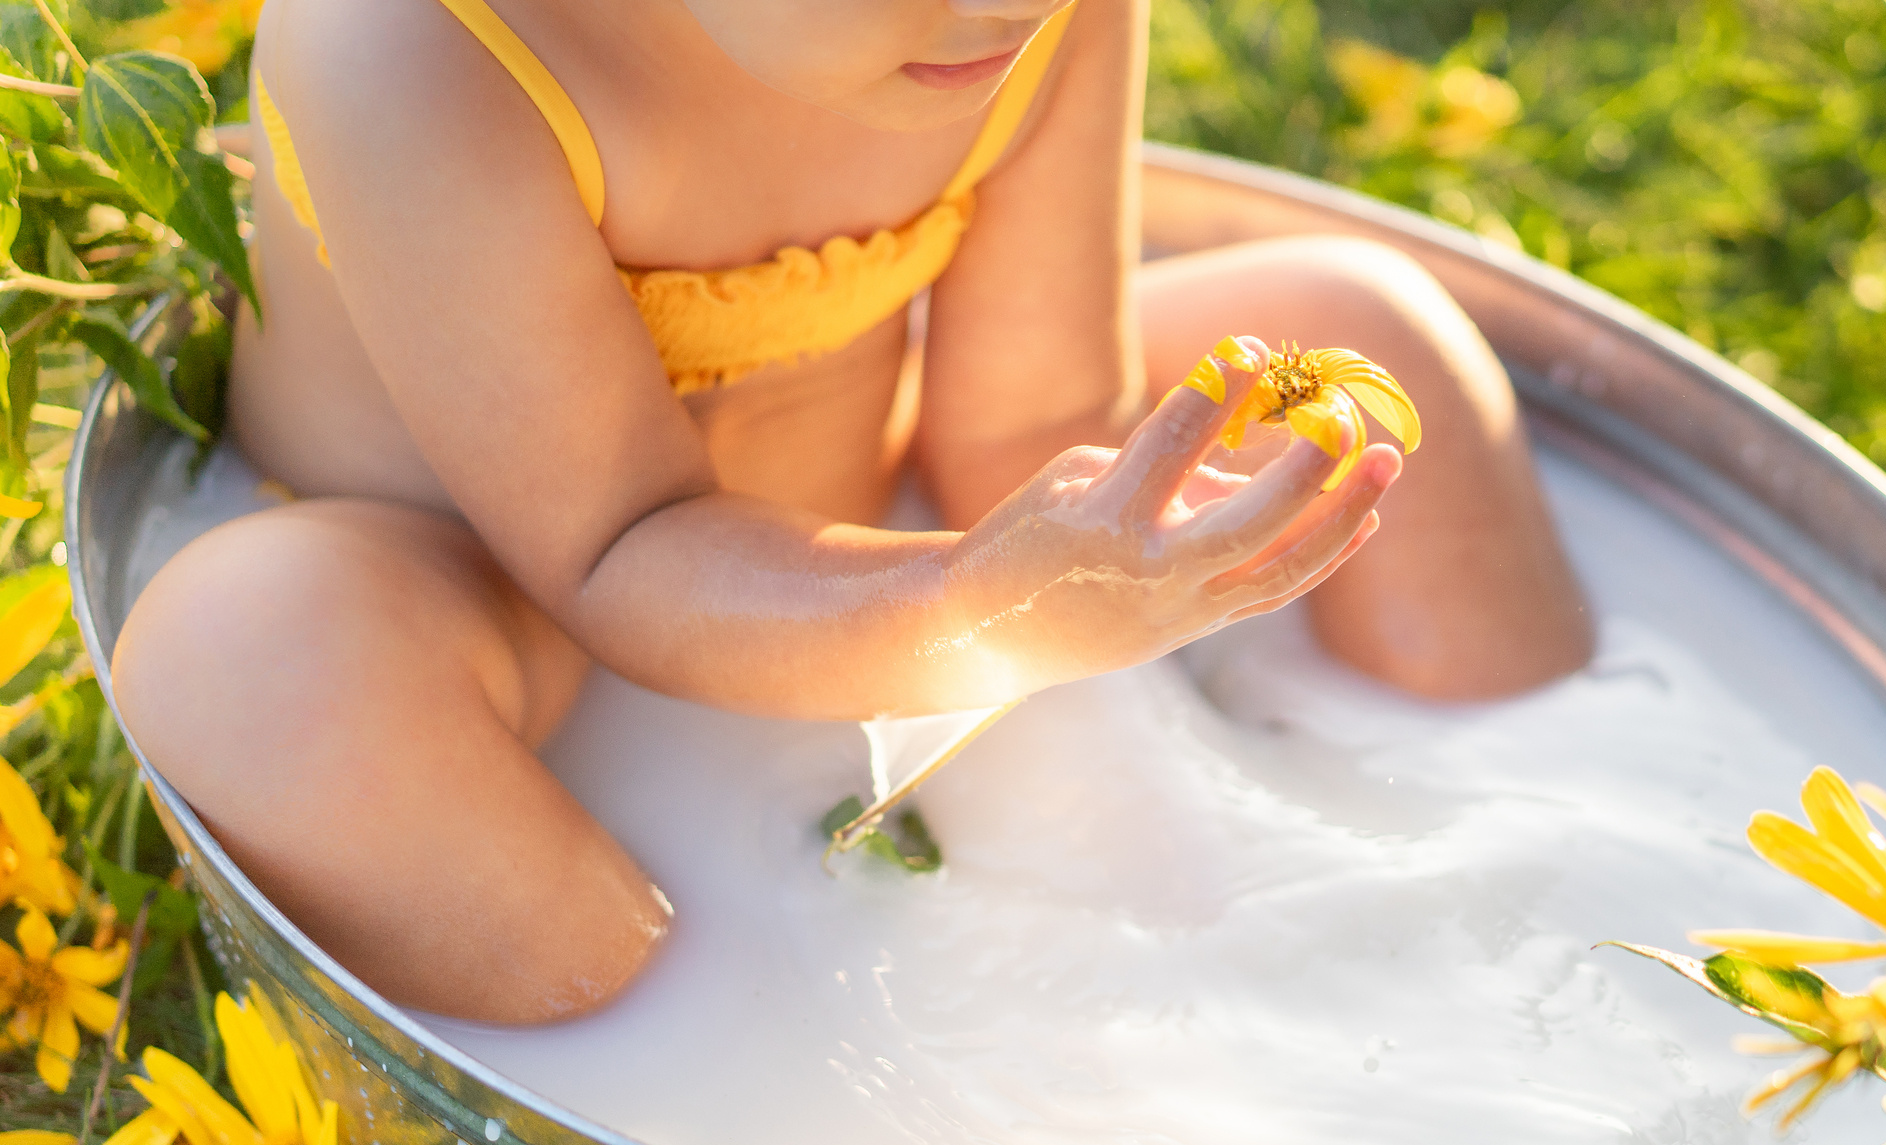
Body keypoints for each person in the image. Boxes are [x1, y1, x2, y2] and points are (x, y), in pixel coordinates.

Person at [113, 0, 1593, 1024]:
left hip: (871, 511)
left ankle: (1546, 837)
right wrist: (974, 608)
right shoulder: (417, 47)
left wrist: (1111, 542)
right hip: (500, 588)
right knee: (257, 660)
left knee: (1360, 330)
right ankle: (693, 1033)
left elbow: (1026, 411)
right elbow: (617, 544)